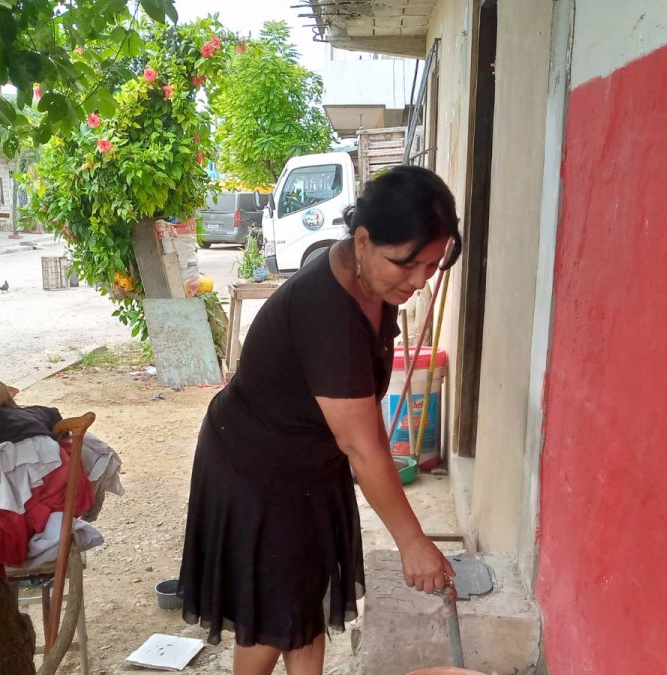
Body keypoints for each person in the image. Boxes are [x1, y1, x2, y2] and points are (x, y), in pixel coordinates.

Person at [179, 165, 464, 675]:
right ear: (362, 240)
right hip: (255, 468)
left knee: (302, 602)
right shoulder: (326, 311)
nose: (420, 282)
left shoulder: (371, 285)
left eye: (431, 265)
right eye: (407, 264)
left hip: (308, 460)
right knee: (274, 613)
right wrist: (413, 542)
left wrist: (410, 533)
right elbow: (360, 446)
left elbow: (361, 417)